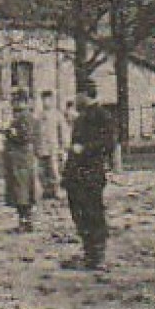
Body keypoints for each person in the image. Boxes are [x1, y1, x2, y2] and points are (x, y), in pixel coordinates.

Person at [61, 84, 115, 269]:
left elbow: (108, 143)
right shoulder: (80, 118)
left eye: (77, 95)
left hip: (92, 172)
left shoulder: (102, 116)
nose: (75, 99)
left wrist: (85, 149)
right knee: (79, 213)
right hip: (76, 175)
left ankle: (97, 256)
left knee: (93, 212)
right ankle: (88, 252)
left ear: (85, 95)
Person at [2, 96, 40, 232]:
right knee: (23, 189)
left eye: (17, 102)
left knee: (21, 190)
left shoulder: (24, 118)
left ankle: (25, 222)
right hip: (23, 158)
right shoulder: (28, 118)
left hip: (20, 158)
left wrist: (9, 133)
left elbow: (24, 137)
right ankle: (26, 221)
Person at [34, 91, 66, 201]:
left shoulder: (57, 115)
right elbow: (36, 132)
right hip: (41, 148)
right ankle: (46, 190)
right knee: (42, 171)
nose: (45, 102)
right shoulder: (38, 116)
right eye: (43, 99)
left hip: (53, 147)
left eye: (48, 99)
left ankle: (56, 190)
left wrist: (62, 147)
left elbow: (62, 132)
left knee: (54, 170)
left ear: (52, 100)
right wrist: (36, 146)